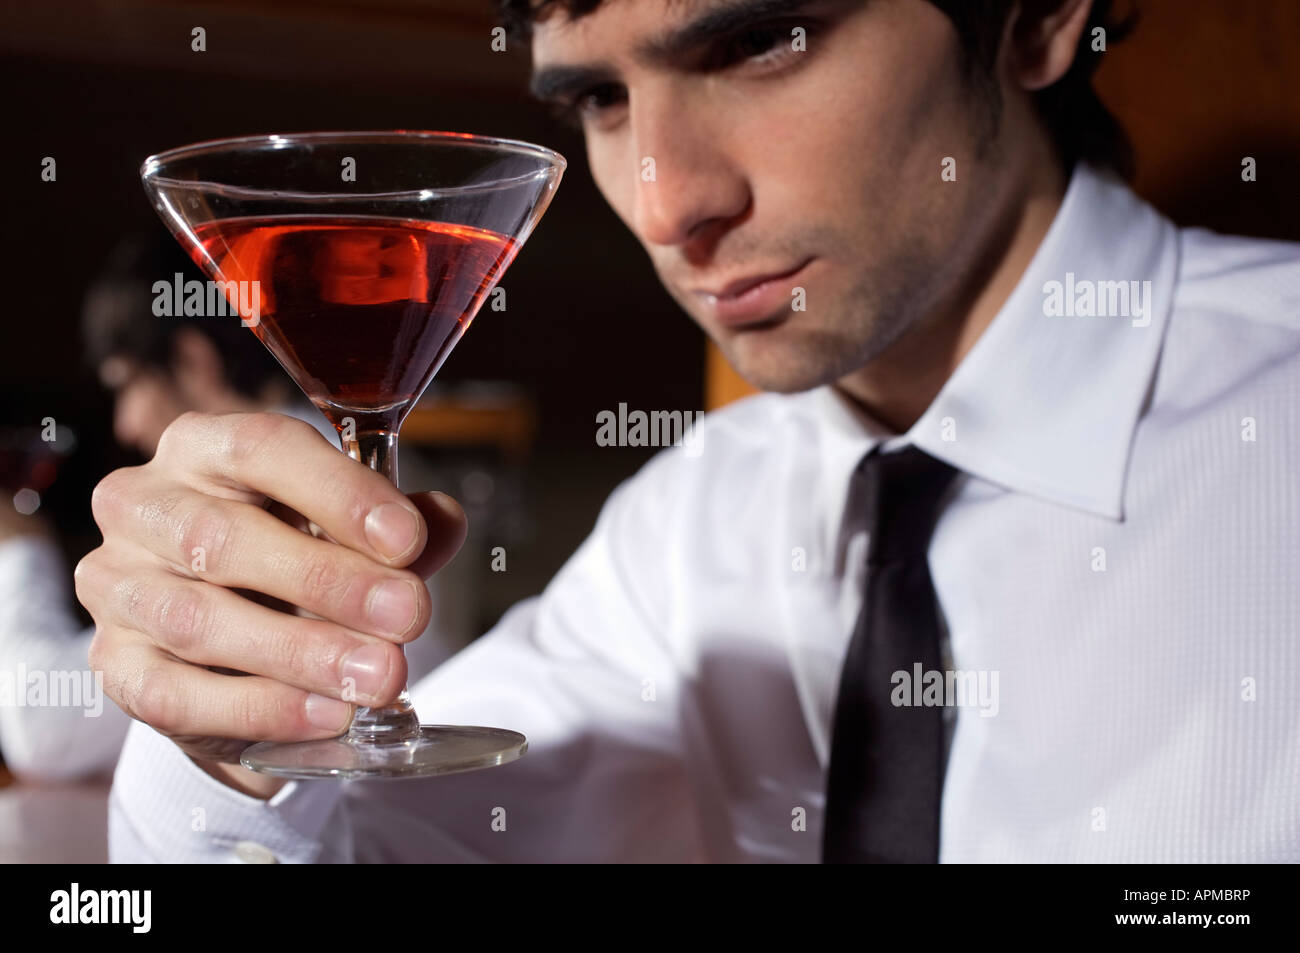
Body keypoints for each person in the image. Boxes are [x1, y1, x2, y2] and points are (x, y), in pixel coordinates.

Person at [80, 0, 1298, 862]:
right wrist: (225, 744)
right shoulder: (688, 521)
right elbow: (352, 847)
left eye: (761, 40)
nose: (665, 201)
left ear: (1033, 17)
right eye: (599, 97)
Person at [0, 234, 468, 782]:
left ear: (194, 361)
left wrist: (18, 548)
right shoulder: (371, 449)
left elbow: (42, 730)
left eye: (127, 384)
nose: (124, 424)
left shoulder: (283, 495)